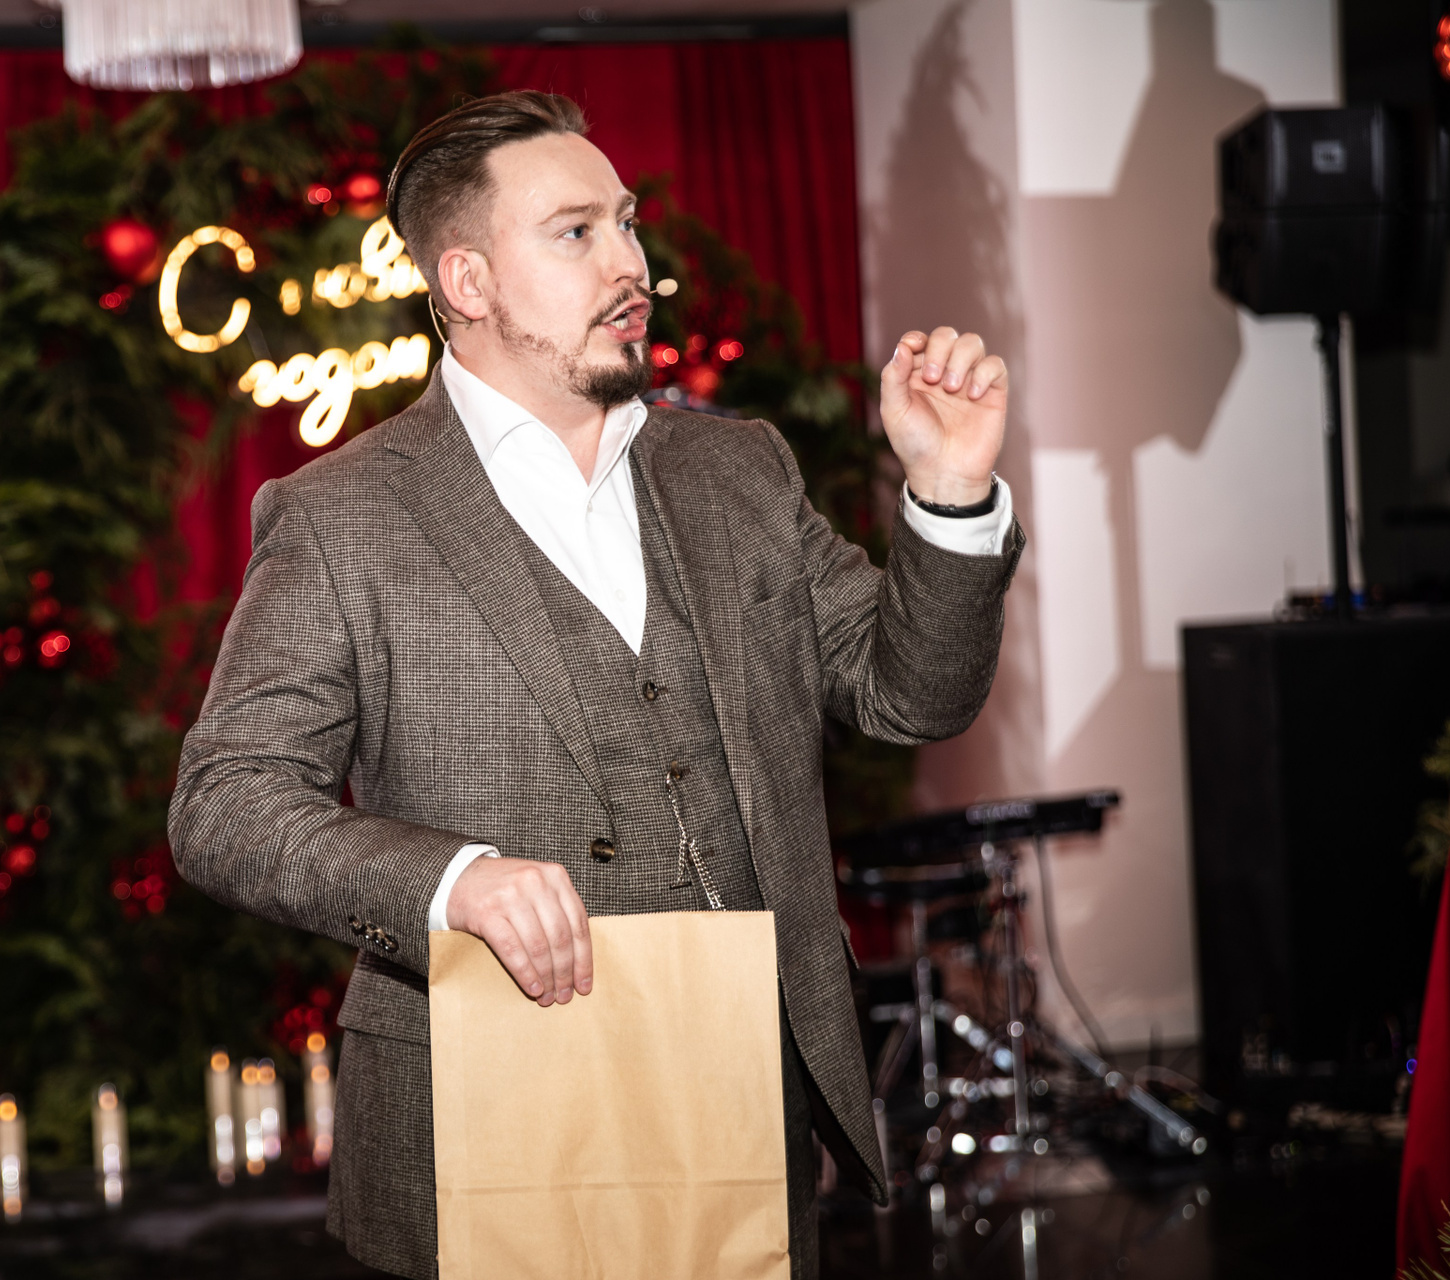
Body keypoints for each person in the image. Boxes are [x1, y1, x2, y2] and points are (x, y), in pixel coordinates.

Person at [169, 89, 1022, 1279]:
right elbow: (225, 802)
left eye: (626, 223)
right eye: (576, 233)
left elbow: (909, 694)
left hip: (748, 1105)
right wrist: (450, 880)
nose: (631, 265)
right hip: (479, 1119)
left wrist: (950, 491)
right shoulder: (341, 515)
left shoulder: (738, 469)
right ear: (468, 281)